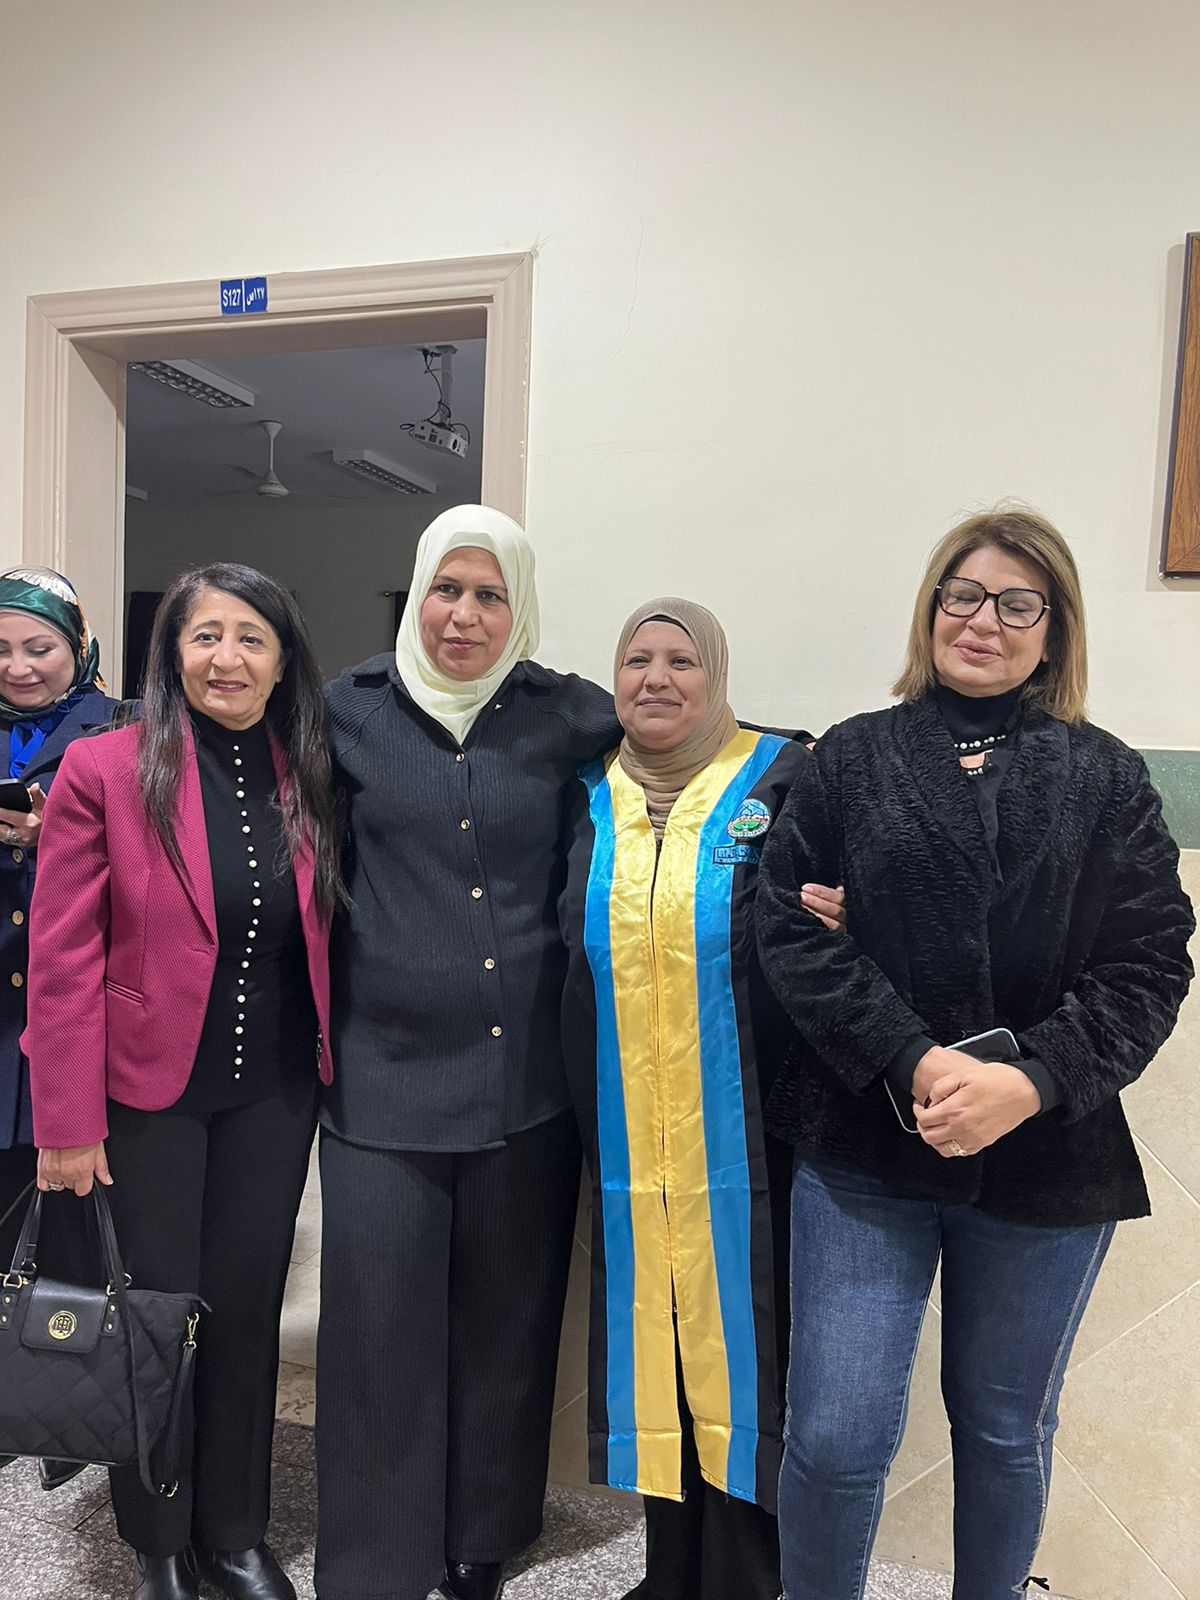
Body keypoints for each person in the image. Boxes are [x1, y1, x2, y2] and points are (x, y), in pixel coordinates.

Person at [755, 508, 1195, 1600]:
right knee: (835, 1435)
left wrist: (1029, 1079)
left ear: (1054, 631)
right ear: (932, 607)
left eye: (1016, 604)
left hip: (1050, 1156)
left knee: (1004, 1428)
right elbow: (789, 929)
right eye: (964, 594)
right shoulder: (852, 756)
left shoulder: (1106, 775)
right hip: (866, 1146)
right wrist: (912, 1058)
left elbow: (1149, 961)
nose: (983, 621)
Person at [24, 563, 343, 1600]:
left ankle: (234, 1531)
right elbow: (63, 958)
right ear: (172, 654)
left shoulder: (314, 769)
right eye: (205, 636)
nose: (227, 658)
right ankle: (158, 1536)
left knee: (246, 1315)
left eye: (251, 637)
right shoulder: (105, 768)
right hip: (143, 1095)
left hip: (273, 1094)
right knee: (153, 1320)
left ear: (283, 659)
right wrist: (66, 1121)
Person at [316, 505, 619, 1600]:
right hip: (379, 1078)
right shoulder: (345, 710)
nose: (464, 615)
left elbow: (687, 731)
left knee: (508, 1321)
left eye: (490, 595)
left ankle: (481, 1538)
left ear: (518, 606)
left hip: (524, 1083)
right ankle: (376, 1557)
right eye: (447, 589)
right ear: (419, 592)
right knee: (378, 1330)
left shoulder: (568, 713)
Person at [559, 597, 845, 1600]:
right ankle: (667, 1571)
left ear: (716, 675)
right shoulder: (585, 794)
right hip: (629, 1131)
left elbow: (844, 910)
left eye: (681, 660)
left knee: (748, 1347)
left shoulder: (783, 778)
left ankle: (746, 1578)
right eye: (636, 659)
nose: (656, 678)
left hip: (751, 1136)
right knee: (657, 1343)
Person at [0, 566, 119, 1491]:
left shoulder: (123, 731)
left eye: (39, 646)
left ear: (78, 645)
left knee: (71, 1224)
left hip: (70, 1019)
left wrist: (58, 844)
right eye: (1, 650)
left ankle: (64, 1417)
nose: (19, 666)